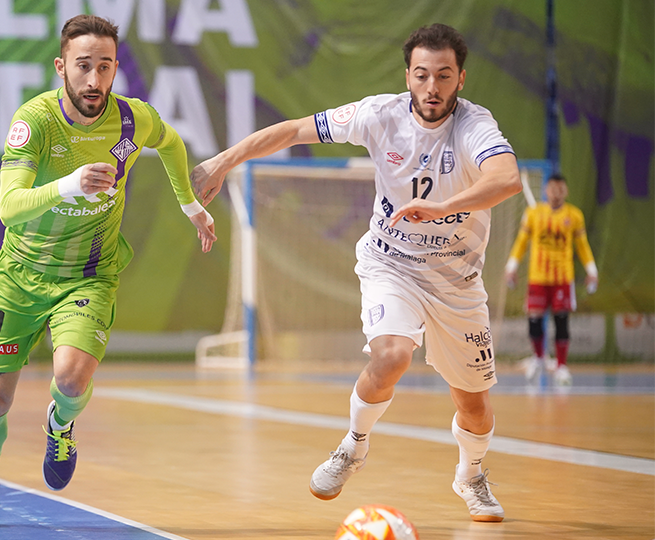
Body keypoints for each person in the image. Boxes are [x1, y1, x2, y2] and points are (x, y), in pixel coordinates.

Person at [191, 23, 520, 522]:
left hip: (456, 282)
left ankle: (471, 475)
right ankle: (353, 445)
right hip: (392, 262)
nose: (433, 88)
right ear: (407, 76)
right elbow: (294, 129)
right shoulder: (378, 115)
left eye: (444, 76)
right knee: (390, 357)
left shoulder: (475, 125)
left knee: (474, 405)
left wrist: (442, 207)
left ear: (461, 79)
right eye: (423, 75)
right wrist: (223, 161)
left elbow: (506, 178)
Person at [0, 14, 217, 530]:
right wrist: (70, 184)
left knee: (72, 380)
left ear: (116, 68)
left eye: (105, 66)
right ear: (61, 67)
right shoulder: (37, 121)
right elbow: (8, 207)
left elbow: (171, 144)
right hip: (20, 275)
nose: (94, 80)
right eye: (82, 67)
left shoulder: (131, 119)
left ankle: (60, 425)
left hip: (89, 273)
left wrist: (189, 203)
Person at [505, 173, 597, 386]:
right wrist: (511, 267)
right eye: (553, 189)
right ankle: (538, 359)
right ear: (546, 190)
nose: (556, 193)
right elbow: (521, 243)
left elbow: (582, 246)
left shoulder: (574, 215)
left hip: (563, 278)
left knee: (562, 322)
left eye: (560, 189)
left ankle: (562, 367)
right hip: (537, 278)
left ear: (566, 191)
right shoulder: (533, 213)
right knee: (534, 321)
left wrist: (592, 270)